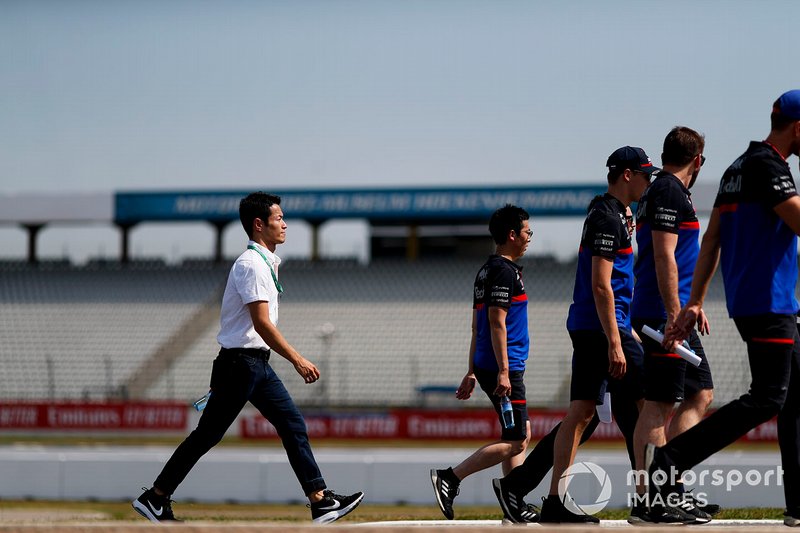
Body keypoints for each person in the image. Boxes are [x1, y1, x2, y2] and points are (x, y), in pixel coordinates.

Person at [132, 192, 364, 524]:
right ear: (259, 225)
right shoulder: (251, 265)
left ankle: (320, 501)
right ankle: (154, 498)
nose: (285, 224)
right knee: (207, 435)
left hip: (255, 365)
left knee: (292, 424)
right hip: (240, 364)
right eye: (278, 218)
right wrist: (298, 359)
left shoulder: (264, 263)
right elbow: (262, 323)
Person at [654, 90, 800, 527]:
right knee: (768, 397)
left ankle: (798, 505)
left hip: (760, 300)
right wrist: (693, 298)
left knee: (794, 397)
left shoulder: (738, 167)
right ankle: (668, 462)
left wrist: (696, 299)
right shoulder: (766, 166)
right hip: (767, 300)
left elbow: (713, 237)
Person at [536, 146, 655, 523]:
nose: (648, 181)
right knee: (645, 406)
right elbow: (602, 285)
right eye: (644, 174)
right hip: (603, 328)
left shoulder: (615, 213)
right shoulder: (606, 217)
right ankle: (647, 500)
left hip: (600, 326)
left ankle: (555, 501)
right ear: (626, 175)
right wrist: (618, 341)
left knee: (582, 412)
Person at [629, 127, 716, 524]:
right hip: (663, 314)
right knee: (660, 404)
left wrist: (692, 306)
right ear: (697, 161)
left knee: (700, 394)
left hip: (676, 312)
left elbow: (679, 254)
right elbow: (665, 256)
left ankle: (671, 486)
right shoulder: (667, 190)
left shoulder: (668, 192)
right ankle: (651, 499)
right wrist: (673, 311)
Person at [430, 204, 534, 521]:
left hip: (491, 365)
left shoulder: (488, 270)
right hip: (504, 367)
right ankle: (450, 477)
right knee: (517, 440)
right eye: (527, 231)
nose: (530, 237)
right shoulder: (503, 271)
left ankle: (513, 502)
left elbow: (477, 325)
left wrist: (472, 370)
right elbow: (495, 322)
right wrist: (502, 371)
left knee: (519, 434)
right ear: (512, 235)